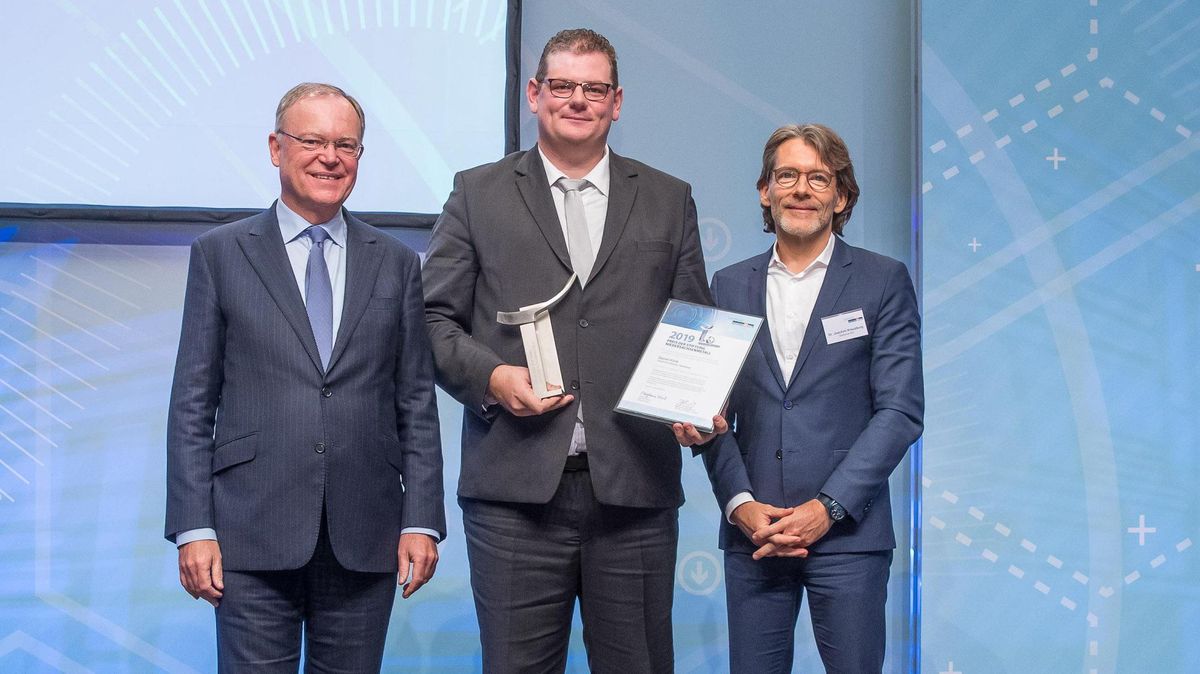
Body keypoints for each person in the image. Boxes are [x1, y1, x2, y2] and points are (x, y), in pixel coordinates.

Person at [422, 28, 712, 673]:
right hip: (514, 496)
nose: (577, 100)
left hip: (634, 488)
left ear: (617, 101)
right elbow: (432, 319)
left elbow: (693, 326)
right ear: (534, 94)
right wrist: (494, 377)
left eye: (594, 88)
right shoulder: (477, 193)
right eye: (561, 86)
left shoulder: (668, 198)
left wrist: (701, 402)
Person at [164, 82, 445, 672]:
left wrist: (421, 518)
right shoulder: (220, 254)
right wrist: (193, 527)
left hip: (365, 534)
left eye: (347, 144)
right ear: (275, 147)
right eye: (312, 140)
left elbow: (415, 400)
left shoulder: (395, 263)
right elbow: (193, 401)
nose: (330, 157)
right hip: (248, 534)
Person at [682, 124, 923, 672]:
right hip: (756, 536)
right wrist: (740, 505)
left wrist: (827, 508)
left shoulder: (881, 281)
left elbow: (901, 411)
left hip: (849, 537)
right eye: (786, 175)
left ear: (841, 197)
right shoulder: (729, 285)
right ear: (764, 190)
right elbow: (709, 413)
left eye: (819, 178)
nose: (801, 189)